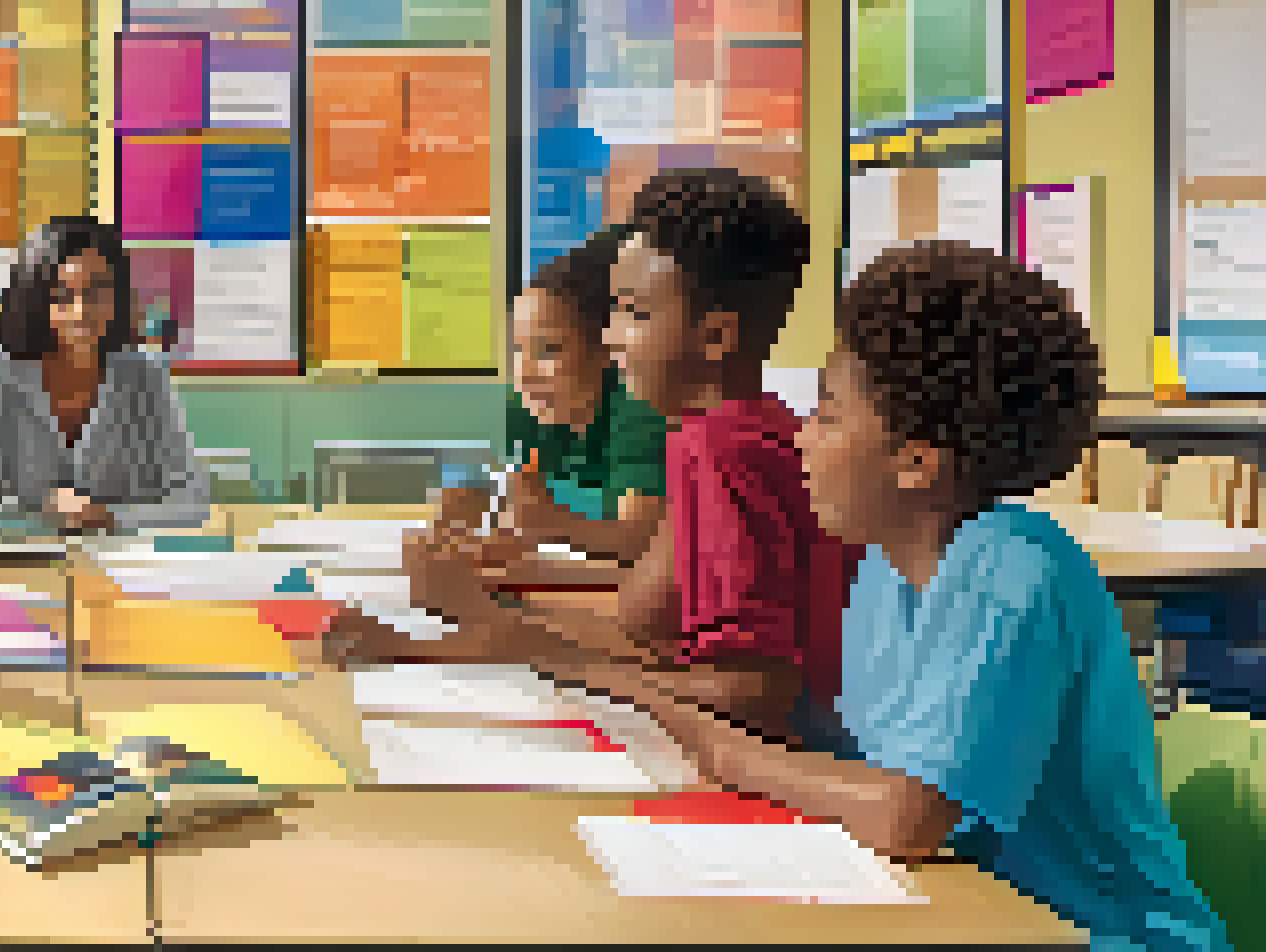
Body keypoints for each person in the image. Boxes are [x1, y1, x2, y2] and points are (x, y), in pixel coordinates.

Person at [401, 242, 1230, 952]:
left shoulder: (1009, 573)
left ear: (916, 462)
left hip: (1095, 935)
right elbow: (825, 740)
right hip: (956, 912)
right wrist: (597, 677)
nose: (801, 439)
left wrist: (713, 743)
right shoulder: (886, 566)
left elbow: (906, 816)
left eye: (828, 417)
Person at [341, 167, 846, 742]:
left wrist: (507, 632)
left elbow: (755, 695)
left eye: (634, 314)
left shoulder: (730, 453)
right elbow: (641, 622)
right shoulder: (706, 435)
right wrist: (463, 620)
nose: (608, 339)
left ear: (715, 337)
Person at [0, 218, 208, 533]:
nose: (81, 311)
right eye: (62, 294)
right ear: (35, 300)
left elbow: (193, 500)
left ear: (119, 295)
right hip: (10, 558)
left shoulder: (145, 376)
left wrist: (107, 518)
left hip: (117, 559)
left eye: (96, 290)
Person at [430, 226, 669, 578]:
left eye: (548, 350)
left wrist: (553, 522)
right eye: (517, 349)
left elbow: (639, 540)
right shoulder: (527, 406)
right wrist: (455, 528)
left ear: (607, 349)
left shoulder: (639, 410)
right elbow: (467, 482)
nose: (524, 373)